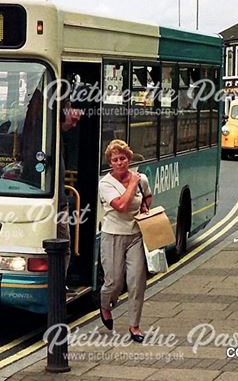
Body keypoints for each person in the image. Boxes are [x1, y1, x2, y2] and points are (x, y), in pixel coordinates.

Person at [97, 139, 151, 343]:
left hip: (135, 234)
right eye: (115, 160)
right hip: (113, 234)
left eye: (123, 158)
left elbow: (147, 197)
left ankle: (134, 326)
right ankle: (104, 305)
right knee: (114, 282)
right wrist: (133, 184)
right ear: (110, 163)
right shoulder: (105, 183)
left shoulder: (141, 179)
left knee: (137, 281)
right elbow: (120, 205)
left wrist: (144, 208)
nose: (120, 163)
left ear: (129, 159)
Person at [57, 102, 83, 279]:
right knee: (63, 245)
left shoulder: (58, 138)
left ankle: (60, 281)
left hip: (60, 202)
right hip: (56, 203)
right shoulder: (47, 137)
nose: (74, 126)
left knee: (64, 245)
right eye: (72, 120)